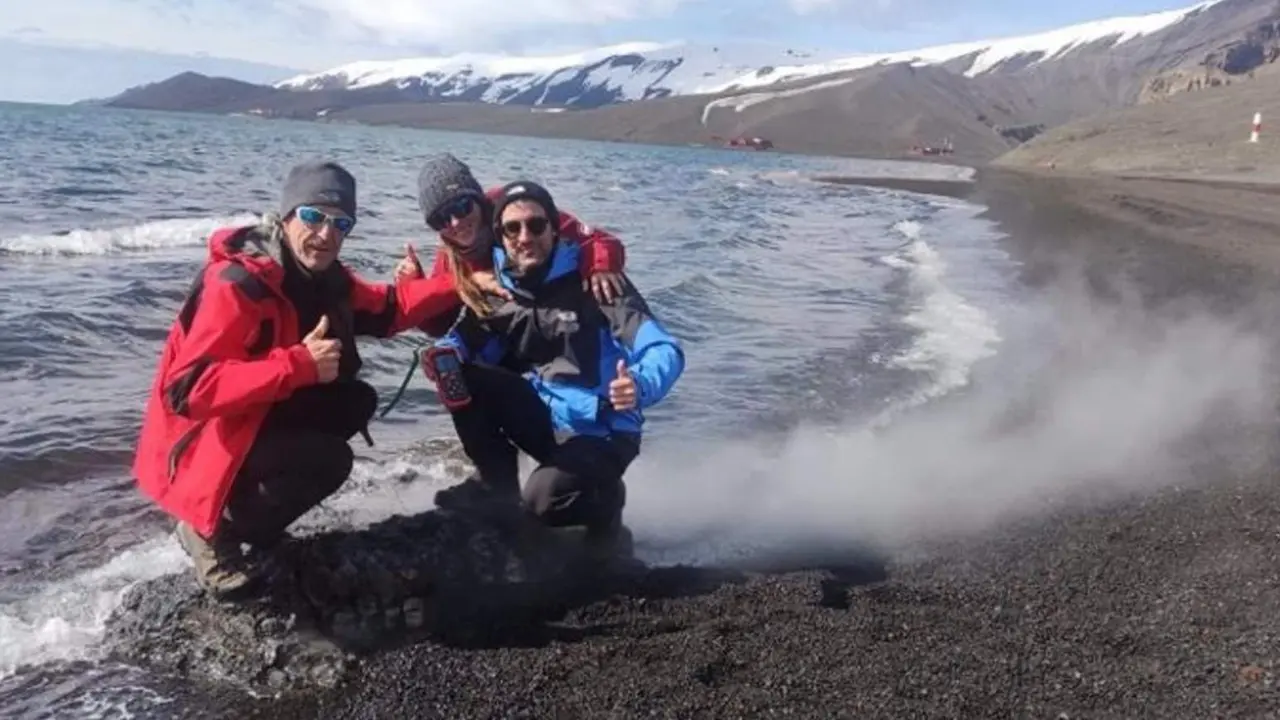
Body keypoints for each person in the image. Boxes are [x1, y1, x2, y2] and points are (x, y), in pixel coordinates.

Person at [131, 160, 470, 597]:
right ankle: (205, 528)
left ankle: (251, 525)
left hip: (246, 421)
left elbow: (387, 309)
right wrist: (297, 365)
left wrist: (462, 281)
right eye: (313, 217)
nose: (327, 234)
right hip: (197, 444)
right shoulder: (237, 283)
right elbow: (187, 390)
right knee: (329, 460)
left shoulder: (326, 278)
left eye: (341, 223)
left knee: (352, 403)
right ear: (287, 216)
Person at [424, 180, 685, 560]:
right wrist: (442, 351)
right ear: (500, 236)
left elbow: (664, 348)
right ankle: (496, 489)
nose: (525, 237)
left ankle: (607, 507)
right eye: (512, 228)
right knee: (459, 372)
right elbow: (465, 339)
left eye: (536, 225)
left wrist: (640, 384)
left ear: (553, 227)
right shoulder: (501, 290)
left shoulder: (595, 283)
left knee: (543, 503)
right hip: (546, 420)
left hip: (604, 430)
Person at [392, 153, 629, 338]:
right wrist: (415, 285)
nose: (456, 223)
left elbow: (598, 239)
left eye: (462, 207)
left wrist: (600, 266)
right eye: (440, 219)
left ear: (478, 200)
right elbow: (439, 326)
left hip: (563, 315)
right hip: (514, 333)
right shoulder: (450, 255)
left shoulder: (515, 210)